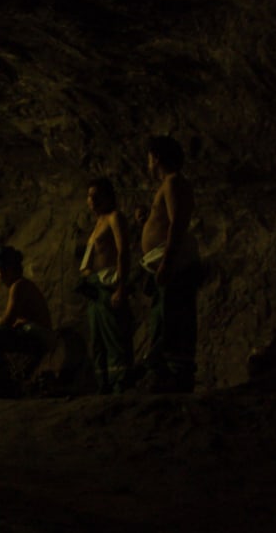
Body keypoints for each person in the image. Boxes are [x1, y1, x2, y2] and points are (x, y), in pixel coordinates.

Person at [138, 135, 200, 392]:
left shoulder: (173, 183)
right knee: (165, 318)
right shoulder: (168, 185)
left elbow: (178, 223)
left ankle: (173, 378)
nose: (148, 163)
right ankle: (165, 376)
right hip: (169, 264)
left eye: (149, 158)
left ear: (157, 157)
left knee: (172, 319)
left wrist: (166, 262)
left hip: (173, 266)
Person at [78, 178, 134, 394]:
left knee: (114, 336)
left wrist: (121, 286)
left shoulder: (114, 218)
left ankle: (121, 384)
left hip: (109, 284)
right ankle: (104, 385)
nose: (91, 200)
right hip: (95, 288)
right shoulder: (98, 224)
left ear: (108, 196)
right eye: (89, 195)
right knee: (98, 339)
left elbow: (123, 251)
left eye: (96, 195)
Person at [0, 246, 53, 397]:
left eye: (3, 269)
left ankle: (5, 385)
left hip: (39, 339)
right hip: (36, 335)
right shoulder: (20, 285)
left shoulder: (19, 286)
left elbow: (8, 319)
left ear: (13, 269)